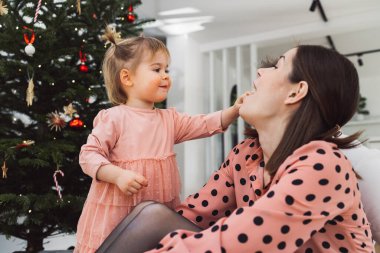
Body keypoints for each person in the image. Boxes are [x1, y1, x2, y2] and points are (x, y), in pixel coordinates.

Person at [95, 44, 375, 253]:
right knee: (152, 215)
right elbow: (191, 216)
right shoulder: (246, 154)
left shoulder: (323, 164)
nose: (260, 71)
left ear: (296, 91)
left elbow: (243, 243)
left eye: (277, 67)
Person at [74, 26, 248, 253]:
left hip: (157, 216)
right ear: (127, 78)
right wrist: (117, 175)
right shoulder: (114, 118)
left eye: (167, 69)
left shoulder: (169, 119)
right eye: (157, 69)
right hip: (115, 216)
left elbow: (203, 123)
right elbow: (88, 155)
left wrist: (234, 110)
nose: (166, 75)